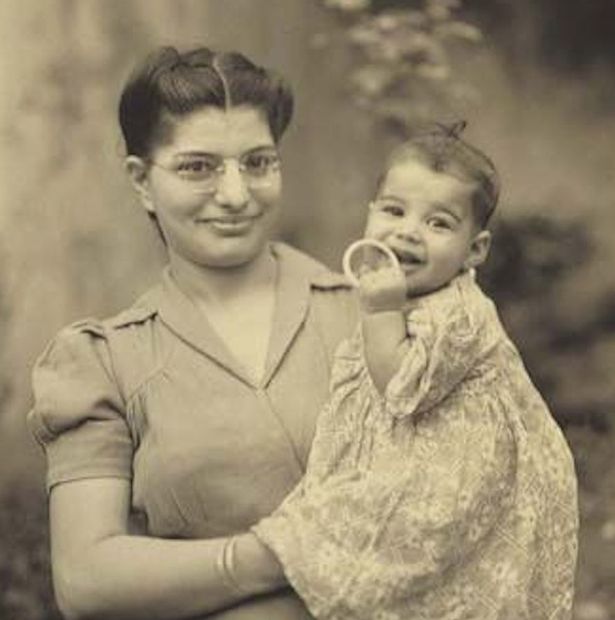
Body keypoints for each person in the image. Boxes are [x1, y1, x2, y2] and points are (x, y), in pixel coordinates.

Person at [28, 45, 357, 620]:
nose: (235, 195)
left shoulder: (367, 316)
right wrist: (271, 557)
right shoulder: (103, 360)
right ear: (141, 181)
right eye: (197, 167)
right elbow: (85, 578)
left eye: (258, 162)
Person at [253, 124, 579, 619]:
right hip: (416, 450)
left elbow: (401, 389)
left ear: (475, 250)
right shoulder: (407, 293)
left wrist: (381, 313)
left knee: (406, 541)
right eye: (393, 210)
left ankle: (293, 570)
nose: (407, 231)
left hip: (460, 477)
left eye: (439, 223)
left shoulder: (460, 313)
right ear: (370, 214)